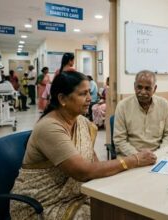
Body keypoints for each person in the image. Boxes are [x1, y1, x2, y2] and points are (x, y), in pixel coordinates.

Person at [10, 71, 157, 220]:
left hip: (77, 195)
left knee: (124, 203)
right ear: (62, 99)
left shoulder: (80, 121)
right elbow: (83, 172)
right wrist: (134, 160)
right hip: (43, 204)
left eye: (89, 93)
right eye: (82, 94)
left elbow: (93, 161)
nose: (89, 98)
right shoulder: (50, 127)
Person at [114, 70, 168, 156]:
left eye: (147, 88)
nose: (143, 92)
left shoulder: (164, 105)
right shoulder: (122, 106)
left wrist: (159, 154)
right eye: (139, 87)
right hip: (130, 157)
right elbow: (119, 140)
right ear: (134, 86)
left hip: (157, 155)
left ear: (155, 89)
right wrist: (139, 157)